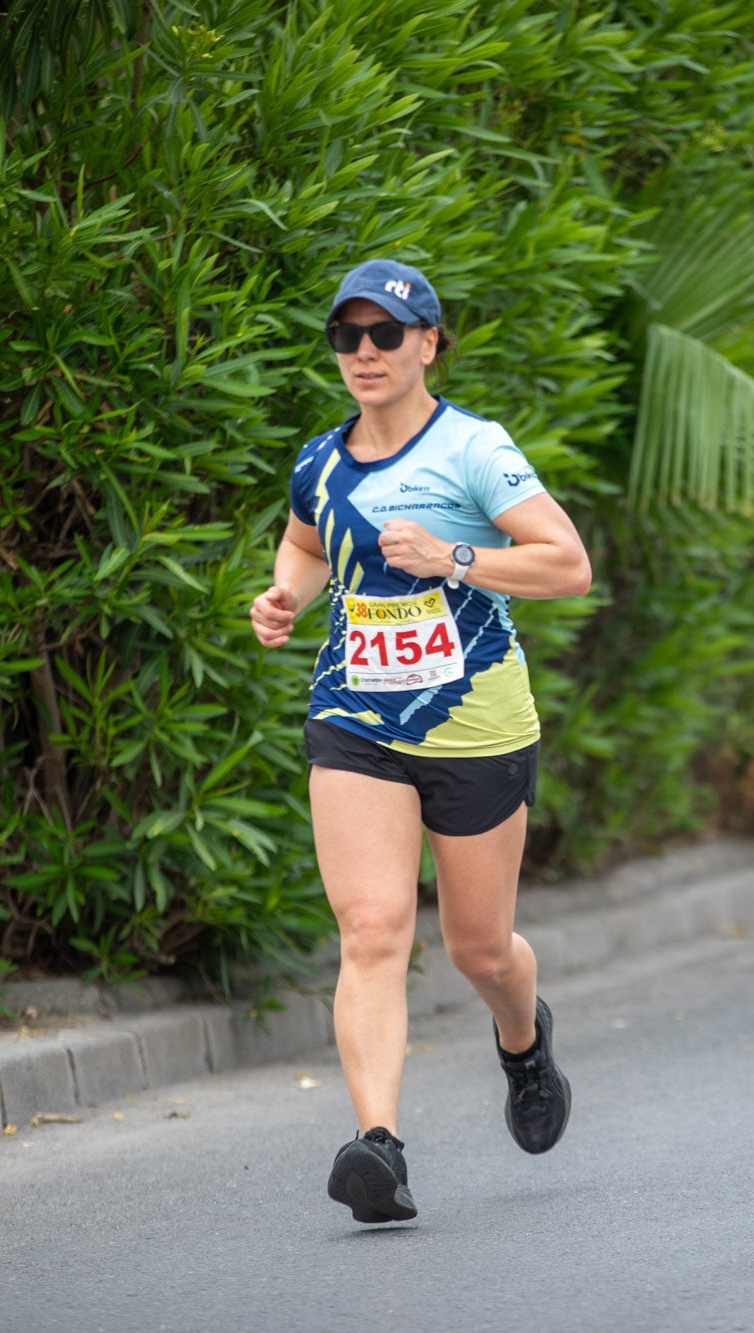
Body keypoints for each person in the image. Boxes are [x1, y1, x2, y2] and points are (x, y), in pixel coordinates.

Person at [250, 259, 593, 1223]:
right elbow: (308, 542)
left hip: (475, 719)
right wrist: (285, 596)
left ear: (428, 343)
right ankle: (379, 1149)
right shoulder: (321, 459)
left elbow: (567, 563)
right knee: (370, 931)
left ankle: (524, 1042)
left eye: (385, 334)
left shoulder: (474, 450)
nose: (364, 352)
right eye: (347, 337)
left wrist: (454, 557)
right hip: (356, 714)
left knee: (478, 950)